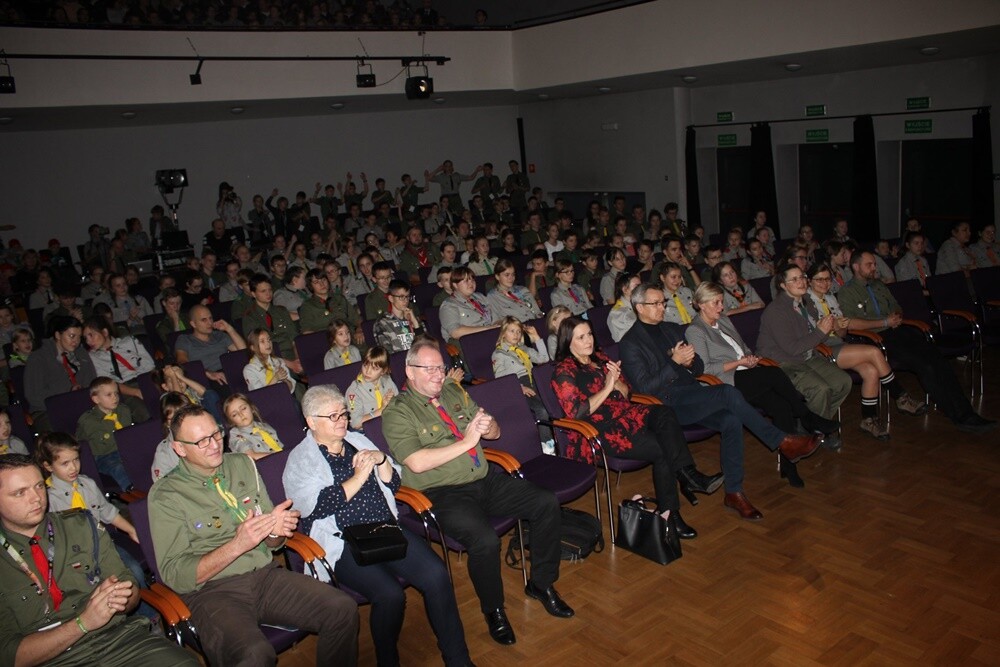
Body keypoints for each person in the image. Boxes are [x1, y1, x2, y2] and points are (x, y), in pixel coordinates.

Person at [382, 338, 573, 646]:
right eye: (429, 369)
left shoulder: (453, 391)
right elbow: (416, 462)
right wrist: (468, 442)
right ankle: (494, 610)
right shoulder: (398, 411)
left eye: (441, 368)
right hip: (442, 493)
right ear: (409, 371)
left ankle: (541, 583)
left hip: (484, 479)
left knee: (545, 502)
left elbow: (494, 433)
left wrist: (490, 426)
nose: (438, 375)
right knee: (485, 540)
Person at [148, 404, 359, 666]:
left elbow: (273, 544)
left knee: (341, 608)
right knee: (255, 655)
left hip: (264, 575)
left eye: (216, 434)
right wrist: (237, 545)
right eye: (201, 441)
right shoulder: (166, 495)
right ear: (180, 448)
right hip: (212, 592)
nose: (214, 445)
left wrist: (276, 531)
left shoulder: (242, 464)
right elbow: (175, 575)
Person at [283, 384, 471, 666]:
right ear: (311, 422)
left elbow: (393, 483)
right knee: (390, 595)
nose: (342, 420)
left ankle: (458, 660)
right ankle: (387, 660)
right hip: (342, 541)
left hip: (383, 528)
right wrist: (359, 476)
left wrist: (381, 459)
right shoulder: (300, 459)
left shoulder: (357, 440)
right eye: (333, 416)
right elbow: (316, 506)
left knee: (436, 575)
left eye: (344, 413)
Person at [619, 283, 821, 521]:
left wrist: (689, 363)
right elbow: (645, 388)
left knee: (731, 420)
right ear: (640, 307)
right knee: (727, 392)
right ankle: (781, 441)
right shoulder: (630, 343)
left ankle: (734, 492)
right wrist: (675, 362)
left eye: (663, 302)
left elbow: (699, 367)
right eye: (656, 303)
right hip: (667, 406)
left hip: (692, 394)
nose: (662, 307)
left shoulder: (671, 329)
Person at [0, 453, 199, 667]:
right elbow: (9, 655)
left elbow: (130, 589)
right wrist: (83, 623)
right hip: (54, 659)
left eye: (39, 486)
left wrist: (122, 598)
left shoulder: (81, 525)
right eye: (20, 493)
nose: (36, 498)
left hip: (118, 640)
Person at [552, 316, 723, 531]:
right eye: (581, 337)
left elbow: (628, 393)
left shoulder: (601, 358)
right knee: (662, 449)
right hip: (598, 429)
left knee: (664, 412)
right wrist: (608, 387)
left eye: (590, 334)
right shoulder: (564, 371)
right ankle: (672, 513)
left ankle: (688, 474)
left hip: (626, 415)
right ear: (568, 342)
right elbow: (576, 413)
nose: (589, 340)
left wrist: (617, 384)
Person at [686, 283, 842, 487]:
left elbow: (743, 347)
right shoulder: (695, 330)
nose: (721, 307)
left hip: (746, 375)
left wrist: (750, 358)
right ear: (701, 305)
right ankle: (806, 416)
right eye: (716, 303)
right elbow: (705, 369)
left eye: (721, 302)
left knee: (781, 406)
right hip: (724, 383)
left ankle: (789, 466)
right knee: (774, 373)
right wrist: (739, 363)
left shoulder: (723, 320)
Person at [837, 251, 996, 433]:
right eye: (869, 265)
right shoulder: (847, 291)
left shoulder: (878, 285)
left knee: (938, 360)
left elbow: (896, 306)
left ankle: (967, 412)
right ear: (856, 267)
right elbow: (851, 323)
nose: (874, 268)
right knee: (925, 365)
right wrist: (884, 322)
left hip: (897, 331)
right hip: (875, 338)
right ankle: (959, 416)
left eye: (874, 264)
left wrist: (896, 316)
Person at [36, 433, 157, 621]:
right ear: (48, 466)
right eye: (65, 463)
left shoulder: (87, 484)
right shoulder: (47, 500)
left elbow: (107, 512)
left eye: (76, 460)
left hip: (101, 545)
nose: (73, 467)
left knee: (134, 572)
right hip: (72, 555)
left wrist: (131, 530)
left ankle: (148, 617)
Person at [806, 263, 927, 439]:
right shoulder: (806, 302)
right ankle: (900, 396)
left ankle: (869, 420)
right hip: (820, 349)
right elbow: (811, 336)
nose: (824, 284)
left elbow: (842, 334)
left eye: (827, 279)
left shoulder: (831, 298)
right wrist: (832, 327)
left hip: (838, 344)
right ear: (809, 281)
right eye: (819, 280)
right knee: (874, 352)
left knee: (871, 371)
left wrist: (840, 327)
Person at [756, 263, 855, 428]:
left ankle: (813, 425)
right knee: (821, 389)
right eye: (794, 279)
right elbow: (792, 348)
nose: (801, 282)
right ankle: (813, 430)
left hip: (807, 356)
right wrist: (820, 331)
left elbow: (817, 338)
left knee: (843, 382)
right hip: (782, 362)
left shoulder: (807, 302)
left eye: (802, 277)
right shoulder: (776, 311)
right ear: (783, 285)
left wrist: (831, 327)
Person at [491, 316, 554, 452]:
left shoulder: (523, 348)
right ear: (503, 333)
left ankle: (559, 435)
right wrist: (519, 388)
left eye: (519, 331)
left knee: (553, 401)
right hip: (517, 386)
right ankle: (547, 444)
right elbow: (500, 378)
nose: (516, 335)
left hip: (534, 381)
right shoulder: (499, 354)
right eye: (512, 331)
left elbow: (544, 359)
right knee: (542, 410)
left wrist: (537, 338)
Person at [24, 316, 97, 432]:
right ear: (58, 335)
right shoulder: (38, 358)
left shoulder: (81, 353)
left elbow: (92, 380)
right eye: (72, 336)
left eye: (79, 337)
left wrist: (80, 394)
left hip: (81, 403)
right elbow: (34, 396)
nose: (76, 341)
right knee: (62, 434)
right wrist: (68, 395)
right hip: (47, 410)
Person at [82, 316, 152, 423]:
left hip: (145, 380)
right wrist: (136, 392)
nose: (88, 341)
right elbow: (109, 383)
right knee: (145, 412)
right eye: (85, 337)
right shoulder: (93, 357)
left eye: (91, 335)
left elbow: (150, 366)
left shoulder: (130, 341)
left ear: (104, 332)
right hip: (123, 389)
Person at [75, 377, 133, 490]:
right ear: (96, 399)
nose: (115, 397)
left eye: (116, 393)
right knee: (117, 468)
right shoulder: (88, 421)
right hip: (104, 456)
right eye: (108, 395)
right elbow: (79, 444)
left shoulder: (124, 410)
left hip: (126, 449)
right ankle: (132, 490)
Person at [175, 304, 246, 390]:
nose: (209, 323)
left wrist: (229, 329)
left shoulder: (220, 335)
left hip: (230, 372)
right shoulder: (185, 340)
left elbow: (243, 352)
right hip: (206, 378)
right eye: (204, 320)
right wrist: (206, 373)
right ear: (193, 324)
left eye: (210, 318)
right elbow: (183, 362)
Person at [344, 346, 398, 430]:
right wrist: (381, 410)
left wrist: (394, 402)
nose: (367, 371)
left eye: (375, 368)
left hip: (390, 424)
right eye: (365, 365)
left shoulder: (387, 381)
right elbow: (355, 423)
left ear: (383, 371)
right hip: (367, 431)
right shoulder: (353, 391)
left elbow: (400, 405)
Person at [439, 266, 497, 344]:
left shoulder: (480, 297)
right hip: (469, 342)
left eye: (472, 279)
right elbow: (455, 332)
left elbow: (496, 316)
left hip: (491, 335)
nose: (471, 283)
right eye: (466, 280)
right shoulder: (449, 305)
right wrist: (488, 329)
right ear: (455, 285)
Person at [243, 328, 301, 400]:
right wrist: (275, 378)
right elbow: (259, 396)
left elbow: (291, 389)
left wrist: (284, 380)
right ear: (253, 347)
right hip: (267, 403)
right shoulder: (249, 370)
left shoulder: (278, 361)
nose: (268, 343)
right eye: (262, 341)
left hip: (285, 398)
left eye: (269, 339)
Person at [223, 393, 284, 460]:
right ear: (231, 421)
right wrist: (280, 457)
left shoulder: (264, 426)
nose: (241, 414)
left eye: (243, 408)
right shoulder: (236, 435)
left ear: (252, 408)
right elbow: (250, 456)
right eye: (234, 414)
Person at [374, 280, 424, 354]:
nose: (405, 300)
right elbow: (387, 353)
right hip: (399, 360)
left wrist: (415, 324)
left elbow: (426, 345)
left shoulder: (414, 318)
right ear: (391, 298)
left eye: (407, 297)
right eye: (401, 297)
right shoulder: (382, 323)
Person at [150, 391, 189, 483]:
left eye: (183, 416)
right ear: (167, 423)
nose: (179, 423)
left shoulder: (205, 433)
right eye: (173, 419)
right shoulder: (164, 452)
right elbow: (160, 484)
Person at [608, 272, 640, 342]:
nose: (641, 290)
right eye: (637, 287)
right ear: (625, 290)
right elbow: (624, 341)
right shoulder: (617, 313)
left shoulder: (642, 303)